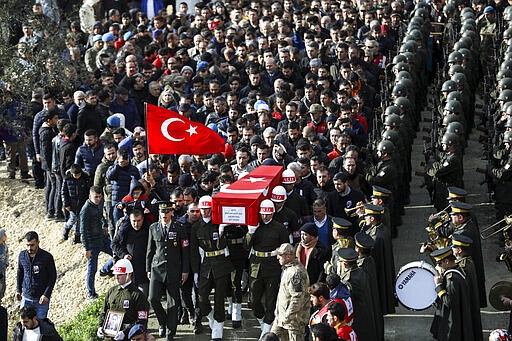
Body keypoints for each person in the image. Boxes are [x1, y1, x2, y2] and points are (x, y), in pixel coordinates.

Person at [190, 196, 233, 340]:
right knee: (201, 298)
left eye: (207, 209)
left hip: (221, 263)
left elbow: (222, 246)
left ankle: (218, 328)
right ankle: (211, 318)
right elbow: (194, 252)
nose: (205, 212)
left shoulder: (219, 223)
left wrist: (221, 231)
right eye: (202, 209)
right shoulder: (196, 227)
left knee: (219, 299)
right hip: (206, 265)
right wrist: (196, 271)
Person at [245, 199, 290, 338]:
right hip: (256, 265)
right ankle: (264, 322)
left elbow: (285, 248)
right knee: (253, 301)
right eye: (263, 214)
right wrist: (250, 233)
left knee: (271, 301)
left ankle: (266, 330)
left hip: (272, 266)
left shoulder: (279, 228)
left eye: (268, 214)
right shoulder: (254, 225)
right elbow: (245, 247)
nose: (265, 217)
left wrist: (284, 268)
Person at [146, 201, 190, 340]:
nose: (164, 214)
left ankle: (170, 332)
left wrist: (185, 270)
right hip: (157, 269)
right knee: (152, 299)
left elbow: (185, 252)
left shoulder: (179, 228)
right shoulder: (153, 228)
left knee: (173, 302)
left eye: (167, 212)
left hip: (173, 269)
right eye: (162, 212)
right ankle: (162, 323)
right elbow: (150, 251)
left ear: (171, 212)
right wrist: (148, 269)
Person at [97, 259, 150, 340]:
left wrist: (125, 332)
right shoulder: (111, 291)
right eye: (115, 274)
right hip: (111, 334)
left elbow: (142, 320)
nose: (116, 277)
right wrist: (100, 327)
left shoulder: (138, 295)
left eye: (120, 274)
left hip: (130, 336)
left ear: (129, 274)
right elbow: (104, 311)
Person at [430, 246, 474, 340]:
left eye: (439, 263)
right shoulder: (458, 269)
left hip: (452, 322)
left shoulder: (451, 280)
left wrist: (439, 286)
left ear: (446, 262)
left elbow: (449, 301)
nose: (437, 267)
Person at [80, 185, 114, 299]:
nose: (98, 199)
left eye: (100, 197)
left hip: (102, 238)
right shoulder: (85, 210)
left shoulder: (99, 204)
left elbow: (101, 217)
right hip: (92, 243)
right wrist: (86, 248)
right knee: (92, 269)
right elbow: (83, 231)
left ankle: (105, 270)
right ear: (90, 196)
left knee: (117, 253)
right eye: (96, 197)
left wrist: (104, 225)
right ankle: (91, 293)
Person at [271, 243, 310, 341]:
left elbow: (297, 298)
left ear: (288, 257)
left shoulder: (296, 272)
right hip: (282, 317)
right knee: (271, 337)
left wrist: (288, 317)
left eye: (280, 255)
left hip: (294, 321)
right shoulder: (288, 269)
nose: (277, 258)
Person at [16, 231, 56, 319]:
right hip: (26, 297)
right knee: (24, 325)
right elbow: (20, 272)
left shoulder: (46, 257)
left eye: (32, 245)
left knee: (40, 324)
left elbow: (52, 277)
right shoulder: (22, 255)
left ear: (38, 242)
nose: (30, 248)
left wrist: (46, 294)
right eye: (27, 245)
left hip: (41, 299)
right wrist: (18, 290)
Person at [0, 228, 7, 302]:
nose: (6, 235)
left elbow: (6, 255)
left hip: (2, 270)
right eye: (3, 235)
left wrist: (6, 264)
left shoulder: (4, 246)